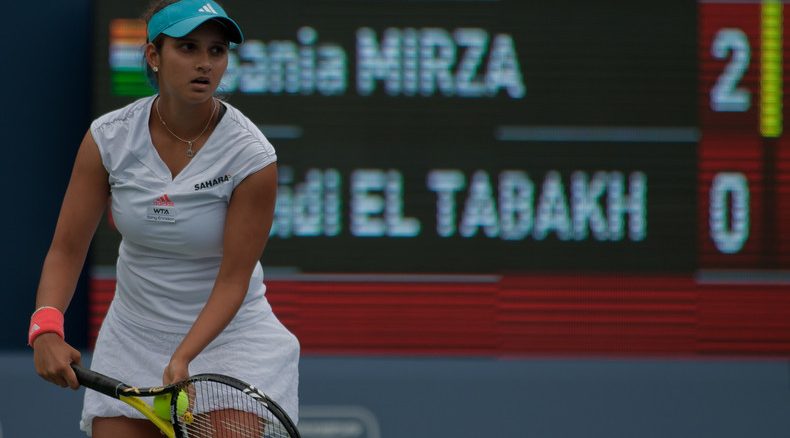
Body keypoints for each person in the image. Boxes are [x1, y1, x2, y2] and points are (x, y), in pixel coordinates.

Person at [28, 1, 300, 436]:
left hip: (228, 341)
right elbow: (67, 248)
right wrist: (46, 327)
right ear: (154, 56)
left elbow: (233, 280)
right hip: (133, 333)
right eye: (188, 48)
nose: (205, 64)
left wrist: (184, 356)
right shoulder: (109, 138)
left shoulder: (252, 156)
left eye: (216, 51)